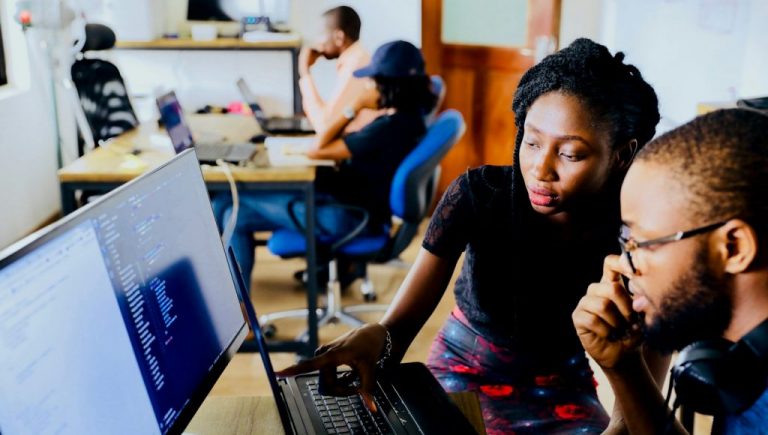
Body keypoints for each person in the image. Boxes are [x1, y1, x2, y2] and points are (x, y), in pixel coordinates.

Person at [277, 38, 664, 434]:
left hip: (563, 389)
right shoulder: (479, 196)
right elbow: (398, 328)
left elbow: (639, 399)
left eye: (569, 154)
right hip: (463, 370)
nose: (540, 169)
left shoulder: (643, 236)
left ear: (621, 154)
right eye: (531, 143)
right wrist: (376, 339)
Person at [573, 109, 768, 434]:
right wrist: (625, 368)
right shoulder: (741, 364)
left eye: (642, 242)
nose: (621, 263)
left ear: (733, 248)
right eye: (625, 240)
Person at [213, 40, 436, 293]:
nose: (367, 85)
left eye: (372, 80)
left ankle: (241, 312)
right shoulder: (410, 120)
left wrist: (354, 107)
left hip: (347, 217)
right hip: (354, 208)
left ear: (388, 84)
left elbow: (317, 148)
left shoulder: (388, 128)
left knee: (232, 211)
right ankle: (232, 301)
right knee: (224, 203)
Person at [299, 5, 375, 135]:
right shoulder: (356, 59)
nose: (318, 43)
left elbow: (325, 127)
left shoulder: (356, 66)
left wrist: (304, 71)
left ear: (339, 37)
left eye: (321, 34)